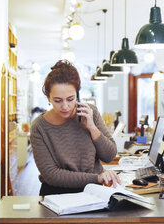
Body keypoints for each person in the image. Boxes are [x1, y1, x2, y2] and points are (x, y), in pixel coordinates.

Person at [30, 60, 121, 196]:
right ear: (48, 98)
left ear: (77, 94)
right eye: (58, 100)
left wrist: (92, 128)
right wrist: (97, 178)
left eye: (70, 99)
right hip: (56, 195)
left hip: (93, 193)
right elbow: (51, 175)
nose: (65, 106)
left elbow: (109, 155)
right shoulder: (39, 126)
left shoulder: (91, 112)